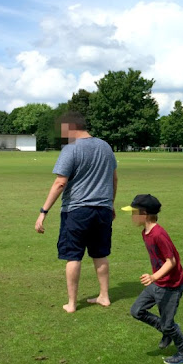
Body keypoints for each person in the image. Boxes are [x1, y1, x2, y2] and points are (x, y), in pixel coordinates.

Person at [35, 111, 117, 313]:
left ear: (69, 127)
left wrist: (43, 211)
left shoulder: (71, 150)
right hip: (103, 210)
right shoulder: (105, 146)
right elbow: (114, 179)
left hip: (77, 210)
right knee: (100, 254)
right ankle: (104, 296)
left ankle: (71, 303)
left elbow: (60, 182)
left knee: (73, 256)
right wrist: (110, 204)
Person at [124, 194, 183, 364]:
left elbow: (170, 261)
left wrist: (153, 276)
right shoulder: (145, 232)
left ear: (145, 214)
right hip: (158, 283)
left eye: (134, 212)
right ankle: (166, 330)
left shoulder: (158, 234)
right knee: (137, 311)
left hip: (171, 286)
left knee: (168, 324)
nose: (132, 216)